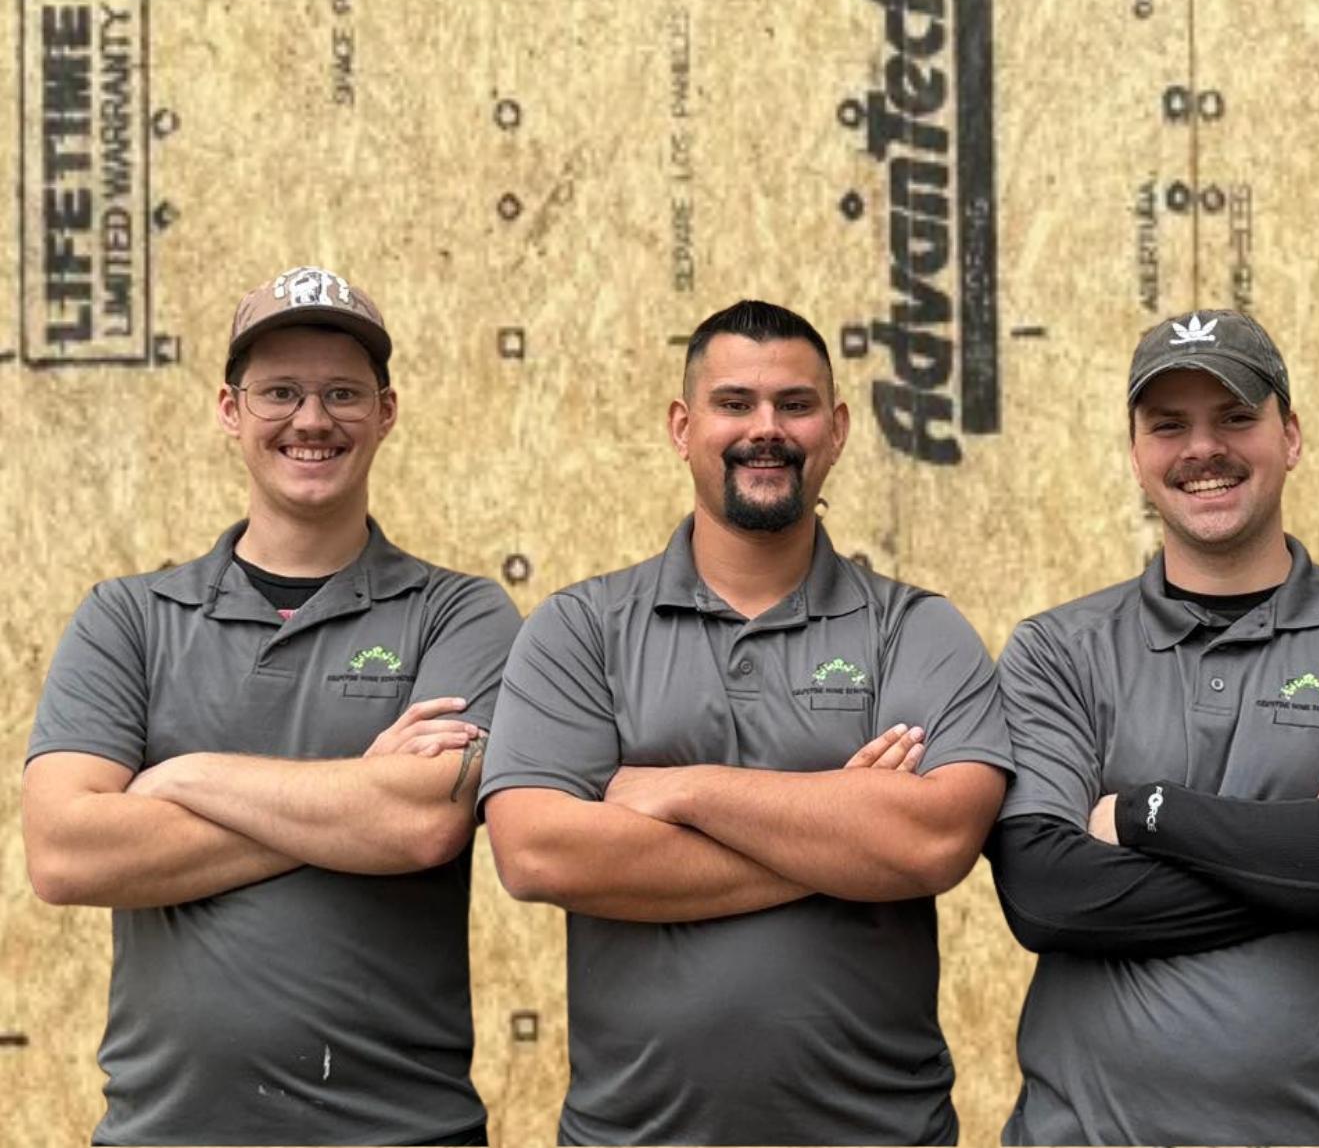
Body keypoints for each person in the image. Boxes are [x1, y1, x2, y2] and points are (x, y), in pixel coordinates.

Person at [479, 299, 1011, 1147]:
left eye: (794, 405)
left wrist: (680, 789)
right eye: (735, 404)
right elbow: (537, 851)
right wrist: (840, 824)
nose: (766, 429)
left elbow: (931, 844)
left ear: (835, 429)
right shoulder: (581, 628)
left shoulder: (915, 629)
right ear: (682, 427)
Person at [22, 264, 522, 1147]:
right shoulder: (128, 618)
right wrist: (352, 796)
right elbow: (66, 853)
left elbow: (420, 827)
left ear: (387, 412)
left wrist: (183, 776)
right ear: (229, 411)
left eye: (342, 393)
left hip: (403, 1132)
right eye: (279, 392)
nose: (312, 419)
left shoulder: (461, 613)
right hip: (167, 1133)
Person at [986, 308, 1319, 1145]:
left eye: (1235, 417)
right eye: (1168, 425)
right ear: (1136, 451)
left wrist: (1149, 814)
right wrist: (1315, 848)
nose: (1201, 449)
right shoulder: (1057, 651)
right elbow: (1050, 896)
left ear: (1289, 436)